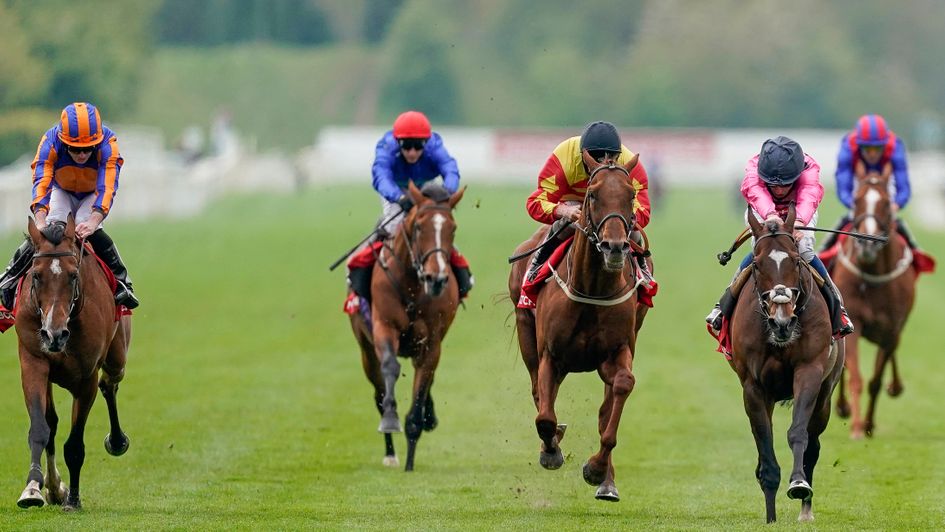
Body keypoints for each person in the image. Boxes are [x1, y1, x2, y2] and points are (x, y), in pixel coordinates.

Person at [706, 136, 853, 338]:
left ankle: (838, 308)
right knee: (762, 250)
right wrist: (770, 214)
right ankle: (722, 307)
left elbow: (809, 195)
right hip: (762, 210)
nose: (779, 190)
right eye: (773, 185)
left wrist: (799, 221)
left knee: (804, 249)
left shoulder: (809, 168)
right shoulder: (754, 168)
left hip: (799, 211)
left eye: (786, 184)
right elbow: (756, 192)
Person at [0, 102, 139, 314]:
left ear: (97, 142)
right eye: (75, 149)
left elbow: (107, 186)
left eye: (88, 149)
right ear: (64, 142)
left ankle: (123, 282)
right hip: (61, 190)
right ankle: (9, 277)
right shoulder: (50, 141)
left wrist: (94, 220)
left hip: (92, 194)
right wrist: (40, 218)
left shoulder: (108, 144)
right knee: (49, 230)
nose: (82, 155)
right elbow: (42, 178)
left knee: (87, 228)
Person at [346, 110, 473, 300]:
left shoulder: (434, 145)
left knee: (435, 226)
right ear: (397, 142)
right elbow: (380, 177)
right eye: (406, 146)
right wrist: (399, 197)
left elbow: (450, 168)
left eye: (418, 145)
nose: (412, 152)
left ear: (426, 142)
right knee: (391, 226)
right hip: (395, 190)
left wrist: (447, 192)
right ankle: (360, 271)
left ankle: (460, 273)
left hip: (425, 189)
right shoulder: (386, 147)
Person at [523, 120, 652, 281]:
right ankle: (537, 265)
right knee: (564, 225)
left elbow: (643, 210)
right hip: (573, 205)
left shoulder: (630, 163)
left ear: (618, 157)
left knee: (634, 232)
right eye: (595, 162)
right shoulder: (564, 158)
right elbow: (535, 202)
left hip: (608, 208)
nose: (603, 165)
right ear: (583, 156)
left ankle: (642, 269)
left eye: (611, 160)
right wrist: (563, 211)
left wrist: (626, 217)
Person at [820, 113, 922, 252]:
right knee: (849, 217)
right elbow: (843, 188)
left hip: (886, 185)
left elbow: (904, 188)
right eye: (867, 149)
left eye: (877, 149)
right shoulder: (848, 146)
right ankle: (823, 251)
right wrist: (855, 204)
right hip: (858, 184)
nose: (872, 154)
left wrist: (895, 205)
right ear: (859, 145)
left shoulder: (895, 146)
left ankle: (915, 252)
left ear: (885, 145)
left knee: (894, 220)